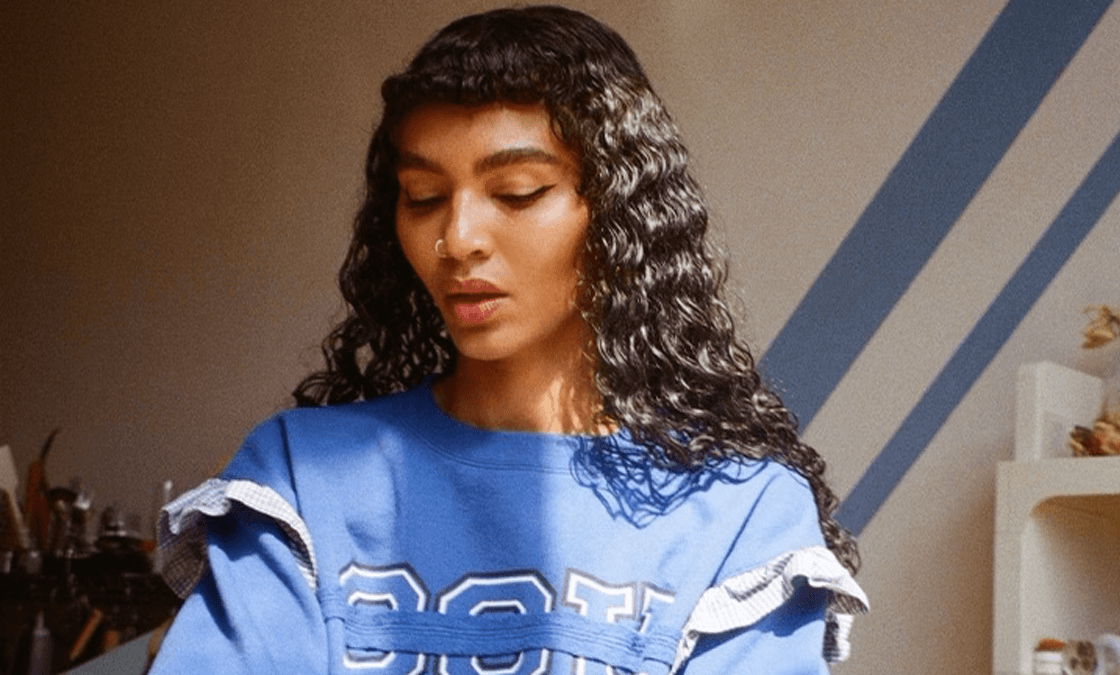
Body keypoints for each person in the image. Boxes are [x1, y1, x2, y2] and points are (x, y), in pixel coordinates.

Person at [149, 6, 867, 675]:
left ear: (618, 214)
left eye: (518, 191)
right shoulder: (301, 479)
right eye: (424, 197)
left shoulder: (741, 515)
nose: (458, 237)